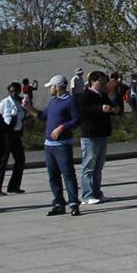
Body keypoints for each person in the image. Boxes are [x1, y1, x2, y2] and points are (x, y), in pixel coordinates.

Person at [41, 75, 82, 216]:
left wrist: (62, 127)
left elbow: (77, 119)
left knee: (68, 174)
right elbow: (42, 116)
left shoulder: (70, 101)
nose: (49, 89)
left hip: (62, 145)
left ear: (57, 87)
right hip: (49, 145)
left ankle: (74, 203)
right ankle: (58, 202)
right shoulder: (53, 102)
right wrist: (28, 108)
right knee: (53, 176)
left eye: (51, 87)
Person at [77, 70, 119, 203]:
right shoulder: (85, 95)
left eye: (104, 81)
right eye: (100, 81)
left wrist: (114, 109)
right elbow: (84, 110)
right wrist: (100, 108)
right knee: (88, 166)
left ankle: (97, 192)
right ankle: (87, 195)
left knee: (98, 167)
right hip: (90, 135)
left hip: (102, 134)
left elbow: (110, 107)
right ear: (92, 82)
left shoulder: (103, 95)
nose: (103, 83)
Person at [0, 81, 27, 195]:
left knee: (20, 160)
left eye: (16, 91)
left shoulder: (21, 102)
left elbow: (23, 117)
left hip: (16, 135)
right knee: (2, 162)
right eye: (11, 91)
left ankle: (14, 186)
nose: (14, 93)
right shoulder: (5, 102)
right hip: (6, 135)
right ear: (9, 91)